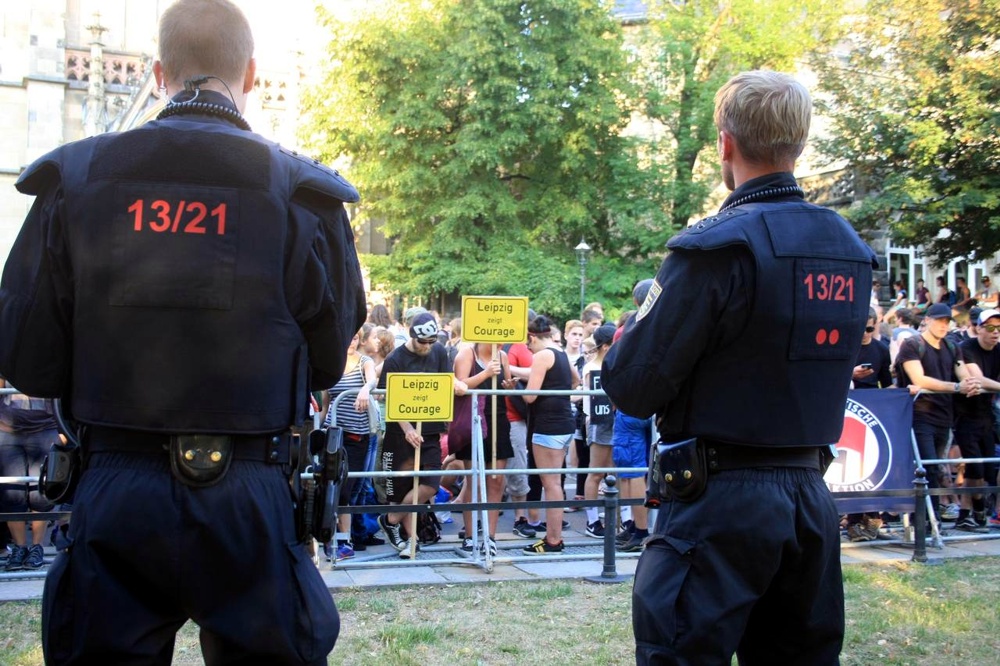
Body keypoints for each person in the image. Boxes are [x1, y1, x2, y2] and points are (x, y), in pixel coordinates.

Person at [0, 1, 367, 662]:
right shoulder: (301, 194)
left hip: (113, 483)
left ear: (159, 71)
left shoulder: (75, 180)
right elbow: (327, 355)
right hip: (249, 492)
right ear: (251, 74)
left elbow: (27, 357)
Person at [602, 70, 877, 665]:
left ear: (725, 143)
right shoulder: (850, 249)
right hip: (807, 495)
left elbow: (631, 384)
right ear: (798, 145)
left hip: (718, 501)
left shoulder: (714, 247)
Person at [376, 313, 468, 557]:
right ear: (411, 335)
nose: (427, 346)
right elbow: (390, 398)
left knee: (430, 484)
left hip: (430, 429)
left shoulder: (438, 351)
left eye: (431, 341)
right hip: (400, 433)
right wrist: (407, 429)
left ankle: (390, 520)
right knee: (404, 487)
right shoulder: (395, 359)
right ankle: (412, 541)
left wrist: (456, 384)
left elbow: (445, 380)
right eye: (422, 342)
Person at [896, 303, 981, 522]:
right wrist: (956, 387)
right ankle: (923, 521)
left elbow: (962, 373)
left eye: (947, 322)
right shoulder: (912, 344)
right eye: (940, 321)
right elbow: (919, 379)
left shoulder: (952, 347)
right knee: (926, 468)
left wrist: (969, 383)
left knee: (936, 469)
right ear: (927, 320)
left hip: (945, 415)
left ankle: (930, 520)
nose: (944, 326)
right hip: (920, 414)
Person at [521, 316, 578, 554]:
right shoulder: (561, 353)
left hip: (547, 426)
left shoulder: (541, 356)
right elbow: (576, 380)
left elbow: (530, 396)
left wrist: (516, 387)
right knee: (556, 483)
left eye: (528, 344)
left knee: (551, 483)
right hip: (564, 423)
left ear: (533, 337)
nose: (528, 348)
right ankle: (554, 537)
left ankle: (553, 540)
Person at [320, 328, 378, 561]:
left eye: (354, 338)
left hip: (357, 436)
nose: (351, 342)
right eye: (347, 338)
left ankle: (345, 538)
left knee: (347, 487)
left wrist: (365, 388)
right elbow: (326, 402)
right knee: (330, 485)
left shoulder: (364, 361)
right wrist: (318, 427)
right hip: (333, 434)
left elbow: (373, 377)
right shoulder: (330, 365)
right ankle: (333, 537)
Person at [0, 382, 58, 571]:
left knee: (40, 493)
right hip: (8, 430)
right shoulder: (7, 358)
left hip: (45, 429)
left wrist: (62, 430)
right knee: (12, 493)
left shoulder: (49, 358)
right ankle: (19, 548)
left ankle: (36, 548)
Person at [952, 309, 1000, 531]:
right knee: (975, 468)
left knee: (987, 470)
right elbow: (976, 378)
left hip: (987, 415)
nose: (995, 333)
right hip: (965, 414)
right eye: (990, 328)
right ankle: (972, 511)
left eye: (999, 329)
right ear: (978, 328)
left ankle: (970, 512)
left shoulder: (998, 350)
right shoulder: (967, 348)